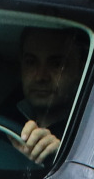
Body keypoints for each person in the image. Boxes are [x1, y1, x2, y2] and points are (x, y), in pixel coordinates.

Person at [7, 24, 86, 165]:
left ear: (79, 70)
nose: (40, 76)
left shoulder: (92, 130)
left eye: (56, 64)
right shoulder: (2, 119)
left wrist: (60, 158)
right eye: (31, 62)